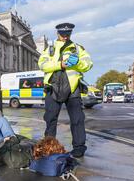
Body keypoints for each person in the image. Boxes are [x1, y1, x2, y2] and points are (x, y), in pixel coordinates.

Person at [38, 23, 93, 158]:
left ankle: (79, 148)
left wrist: (77, 63)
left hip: (72, 88)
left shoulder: (78, 48)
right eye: (62, 35)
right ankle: (49, 146)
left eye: (67, 35)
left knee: (77, 119)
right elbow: (42, 65)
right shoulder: (49, 49)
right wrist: (59, 64)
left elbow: (88, 64)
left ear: (70, 34)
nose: (65, 37)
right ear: (58, 34)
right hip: (53, 87)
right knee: (50, 119)